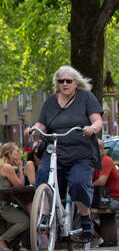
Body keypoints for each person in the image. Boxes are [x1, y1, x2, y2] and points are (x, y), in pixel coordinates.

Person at [25, 65, 103, 239]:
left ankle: (85, 218)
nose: (65, 84)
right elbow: (41, 124)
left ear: (76, 82)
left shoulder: (86, 98)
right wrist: (33, 130)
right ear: (57, 83)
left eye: (69, 81)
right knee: (43, 177)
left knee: (78, 183)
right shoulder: (51, 101)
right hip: (55, 151)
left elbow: (98, 120)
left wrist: (92, 128)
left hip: (81, 153)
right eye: (61, 81)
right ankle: (45, 215)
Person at [0, 142, 30, 250]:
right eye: (17, 151)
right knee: (26, 221)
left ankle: (13, 244)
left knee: (22, 212)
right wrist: (20, 167)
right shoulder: (7, 167)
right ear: (10, 154)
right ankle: (2, 240)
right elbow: (19, 185)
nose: (20, 153)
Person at [93, 139, 119, 211]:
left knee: (84, 202)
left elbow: (101, 182)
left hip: (114, 199)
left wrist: (88, 186)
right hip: (104, 195)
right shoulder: (96, 161)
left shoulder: (106, 160)